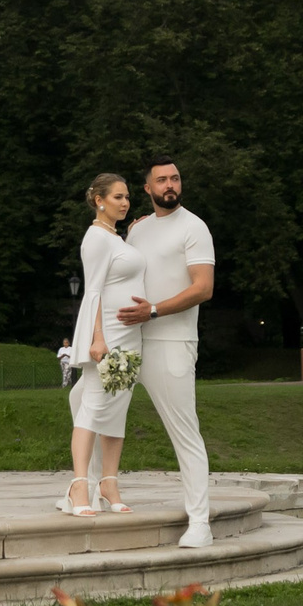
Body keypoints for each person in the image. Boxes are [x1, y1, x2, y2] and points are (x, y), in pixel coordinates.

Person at [118, 156, 216, 548]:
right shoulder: (137, 230)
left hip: (171, 343)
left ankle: (200, 523)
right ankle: (87, 492)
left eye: (175, 178)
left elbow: (203, 288)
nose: (170, 185)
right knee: (94, 409)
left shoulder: (194, 227)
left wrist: (154, 310)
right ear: (148, 188)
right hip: (128, 341)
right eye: (161, 180)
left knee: (185, 432)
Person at [63, 172, 145, 516]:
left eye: (127, 197)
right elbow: (94, 290)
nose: (125, 203)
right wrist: (97, 338)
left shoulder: (116, 238)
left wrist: (134, 233)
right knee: (94, 406)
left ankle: (109, 482)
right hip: (108, 335)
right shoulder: (96, 237)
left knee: (117, 409)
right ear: (99, 200)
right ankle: (79, 485)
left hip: (130, 336)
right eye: (117, 197)